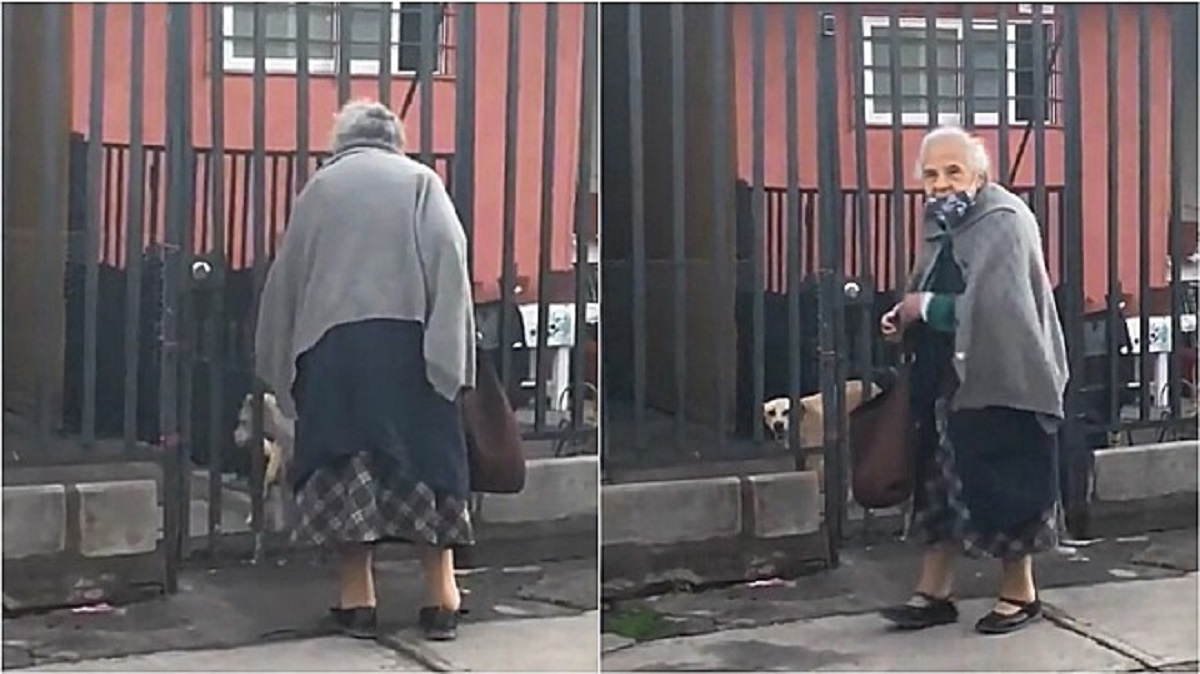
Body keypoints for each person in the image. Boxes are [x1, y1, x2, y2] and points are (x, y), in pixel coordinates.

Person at [255, 99, 476, 641]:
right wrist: (451, 352)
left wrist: (278, 367)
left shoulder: (320, 190)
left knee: (344, 466)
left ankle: (357, 600)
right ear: (395, 139)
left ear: (342, 141)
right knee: (427, 466)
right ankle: (441, 599)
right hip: (411, 345)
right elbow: (450, 254)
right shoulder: (422, 181)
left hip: (334, 351)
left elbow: (287, 278)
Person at [878, 125, 1069, 635]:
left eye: (953, 171)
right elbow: (932, 289)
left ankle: (1020, 592)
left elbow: (1002, 310)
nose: (941, 183)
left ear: (979, 174)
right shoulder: (940, 224)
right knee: (937, 480)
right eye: (931, 174)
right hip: (947, 374)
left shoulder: (1003, 220)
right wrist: (905, 314)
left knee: (1004, 479)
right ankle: (934, 590)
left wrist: (928, 307)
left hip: (1003, 375)